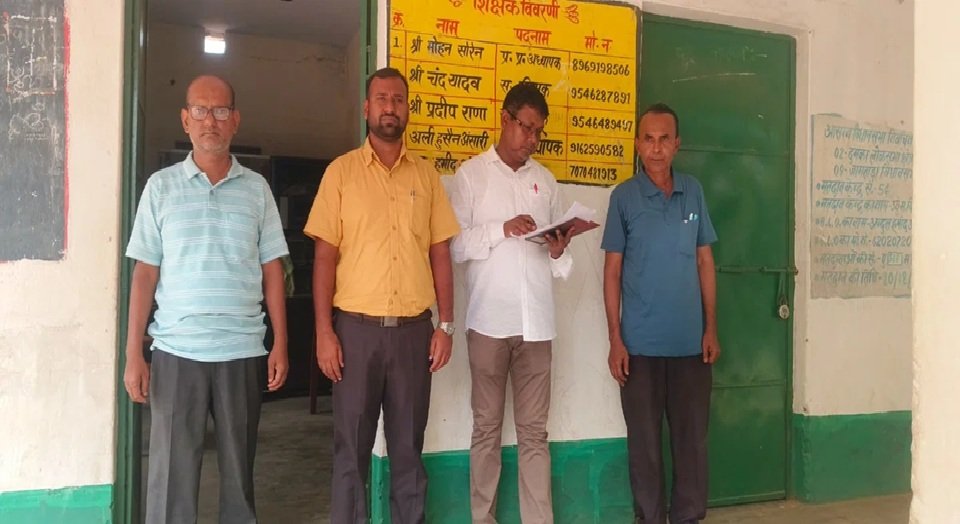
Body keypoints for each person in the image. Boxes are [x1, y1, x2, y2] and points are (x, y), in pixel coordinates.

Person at [123, 74, 290, 524]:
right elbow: (145, 273)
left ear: (235, 120)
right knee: (171, 482)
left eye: (219, 111)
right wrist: (133, 353)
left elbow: (272, 269)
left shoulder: (257, 189)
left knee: (239, 478)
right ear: (185, 119)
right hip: (177, 352)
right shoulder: (160, 187)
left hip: (241, 351)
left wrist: (280, 342)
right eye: (200, 110)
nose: (209, 121)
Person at [304, 67, 460, 524]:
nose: (390, 107)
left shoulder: (427, 177)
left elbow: (440, 252)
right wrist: (324, 332)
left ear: (407, 109)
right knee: (350, 450)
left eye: (398, 99)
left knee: (409, 450)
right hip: (355, 334)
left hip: (414, 335)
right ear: (366, 108)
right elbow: (325, 258)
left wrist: (445, 325)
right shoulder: (341, 174)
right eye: (381, 98)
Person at [449, 82, 573, 524]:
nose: (532, 139)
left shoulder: (546, 181)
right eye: (526, 128)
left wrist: (558, 251)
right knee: (486, 430)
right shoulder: (471, 176)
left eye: (539, 131)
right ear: (505, 119)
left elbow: (562, 264)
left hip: (537, 326)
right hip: (488, 324)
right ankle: (482, 518)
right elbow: (455, 247)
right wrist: (501, 228)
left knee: (534, 434)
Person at [601, 103, 720, 524]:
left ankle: (687, 517)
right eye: (648, 139)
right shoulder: (624, 198)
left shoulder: (693, 191)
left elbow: (704, 261)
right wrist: (615, 339)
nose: (656, 148)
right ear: (638, 145)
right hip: (640, 348)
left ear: (677, 144)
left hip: (690, 346)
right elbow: (612, 271)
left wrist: (710, 328)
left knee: (691, 443)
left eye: (664, 139)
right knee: (645, 447)